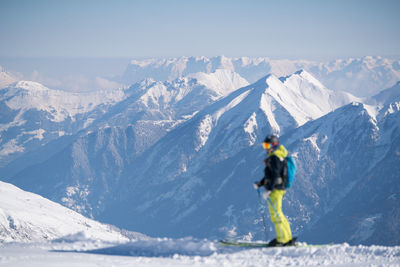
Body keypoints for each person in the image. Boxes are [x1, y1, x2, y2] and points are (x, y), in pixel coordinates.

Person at [254, 134, 295, 247]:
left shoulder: (275, 157)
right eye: (264, 145)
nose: (266, 148)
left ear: (274, 145)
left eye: (267, 145)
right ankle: (287, 238)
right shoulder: (276, 156)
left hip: (276, 189)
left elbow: (275, 175)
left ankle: (282, 240)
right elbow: (271, 175)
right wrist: (261, 184)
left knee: (276, 214)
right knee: (278, 213)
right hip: (277, 188)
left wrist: (269, 189)